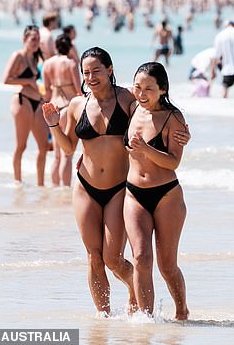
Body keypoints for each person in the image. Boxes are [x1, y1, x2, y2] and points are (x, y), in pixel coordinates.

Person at [42, 48, 190, 316]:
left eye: (96, 70)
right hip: (85, 186)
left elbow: (155, 108)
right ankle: (104, 317)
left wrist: (182, 131)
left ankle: (136, 290)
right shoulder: (77, 105)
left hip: (119, 189)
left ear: (110, 69)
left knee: (112, 257)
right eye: (85, 73)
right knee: (93, 257)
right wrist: (53, 124)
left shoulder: (129, 98)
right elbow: (67, 148)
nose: (91, 77)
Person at [123, 62, 189, 320]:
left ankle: (182, 310)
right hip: (133, 194)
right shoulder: (131, 107)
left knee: (167, 265)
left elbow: (174, 162)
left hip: (166, 196)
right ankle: (145, 319)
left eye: (149, 88)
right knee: (140, 257)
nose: (141, 93)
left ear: (163, 89)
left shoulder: (174, 118)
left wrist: (146, 149)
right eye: (138, 87)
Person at [3, 25, 48, 186]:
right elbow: (6, 79)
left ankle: (41, 184)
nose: (36, 42)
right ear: (25, 39)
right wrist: (29, 81)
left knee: (44, 146)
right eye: (33, 39)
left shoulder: (35, 58)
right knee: (22, 145)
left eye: (38, 39)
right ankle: (17, 181)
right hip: (22, 100)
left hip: (37, 101)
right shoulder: (18, 56)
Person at [41, 34, 81, 187]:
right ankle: (65, 189)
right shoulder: (71, 63)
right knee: (67, 155)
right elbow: (78, 90)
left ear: (56, 47)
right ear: (70, 47)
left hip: (53, 107)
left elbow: (46, 92)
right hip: (68, 107)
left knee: (56, 155)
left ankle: (55, 187)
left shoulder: (47, 64)